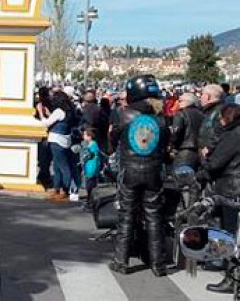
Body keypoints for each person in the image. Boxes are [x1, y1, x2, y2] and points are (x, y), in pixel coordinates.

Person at [108, 75, 168, 277]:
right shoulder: (160, 117)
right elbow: (166, 144)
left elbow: (112, 140)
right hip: (154, 171)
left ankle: (121, 261)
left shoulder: (123, 115)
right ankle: (158, 264)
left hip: (129, 170)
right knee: (154, 216)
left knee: (126, 216)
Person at [196, 103, 240, 294]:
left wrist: (205, 159)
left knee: (230, 233)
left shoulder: (234, 135)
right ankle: (222, 263)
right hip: (233, 186)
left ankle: (231, 277)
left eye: (221, 118)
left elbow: (216, 163)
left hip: (231, 188)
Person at [39, 91, 76, 202]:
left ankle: (65, 190)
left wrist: (41, 113)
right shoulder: (68, 111)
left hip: (56, 139)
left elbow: (46, 123)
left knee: (62, 166)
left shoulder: (59, 111)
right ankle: (57, 189)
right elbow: (59, 121)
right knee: (57, 166)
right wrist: (50, 114)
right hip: (64, 140)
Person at [168, 92, 204, 171]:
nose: (178, 102)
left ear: (187, 102)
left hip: (184, 152)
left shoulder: (181, 114)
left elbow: (175, 133)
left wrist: (170, 145)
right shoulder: (201, 114)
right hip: (198, 151)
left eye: (180, 101)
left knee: (181, 179)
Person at [199, 83, 225, 161]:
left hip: (213, 156)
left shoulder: (220, 111)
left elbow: (221, 132)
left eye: (202, 95)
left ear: (208, 96)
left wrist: (209, 147)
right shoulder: (209, 110)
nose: (200, 98)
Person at [80, 127, 102, 212]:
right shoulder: (91, 144)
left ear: (90, 136)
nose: (83, 136)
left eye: (85, 135)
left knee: (90, 187)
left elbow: (89, 155)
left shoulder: (93, 145)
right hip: (89, 168)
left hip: (91, 168)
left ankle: (90, 203)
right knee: (89, 186)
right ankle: (89, 202)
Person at [35, 87, 53, 190]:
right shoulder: (50, 104)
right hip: (47, 133)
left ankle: (44, 177)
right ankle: (44, 177)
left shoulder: (39, 105)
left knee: (43, 158)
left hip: (42, 133)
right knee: (46, 159)